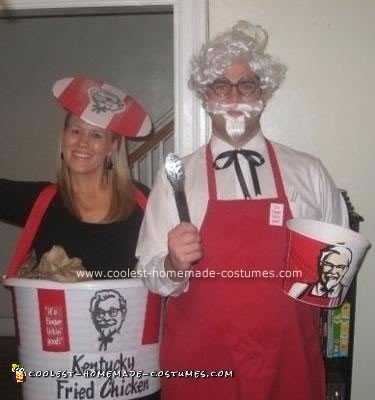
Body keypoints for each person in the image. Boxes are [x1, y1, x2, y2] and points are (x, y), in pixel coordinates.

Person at [136, 21, 349, 400]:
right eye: (221, 85)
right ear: (206, 97)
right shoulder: (176, 177)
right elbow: (150, 275)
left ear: (263, 93)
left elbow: (338, 261)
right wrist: (171, 264)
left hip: (289, 358)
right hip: (201, 360)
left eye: (246, 84)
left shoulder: (308, 171)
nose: (234, 96)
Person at [1, 77, 151, 280]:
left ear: (113, 146)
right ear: (63, 136)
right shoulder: (41, 201)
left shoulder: (142, 202)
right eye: (75, 131)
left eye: (96, 135)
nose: (82, 142)